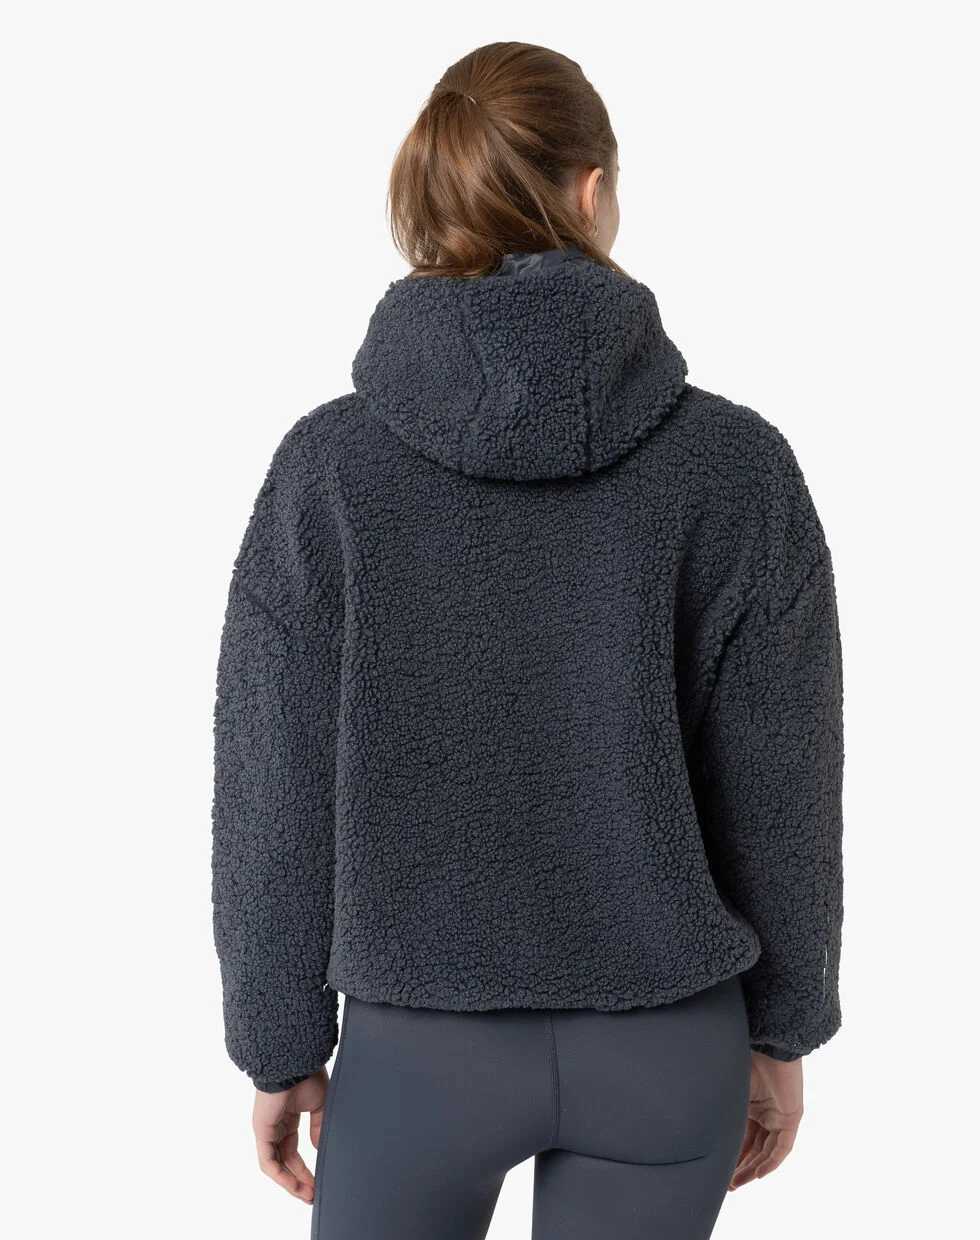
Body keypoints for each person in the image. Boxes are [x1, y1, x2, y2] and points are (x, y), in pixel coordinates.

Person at [212, 40, 844, 1240]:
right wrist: (780, 1028)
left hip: (415, 1052)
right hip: (666, 1040)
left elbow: (271, 784)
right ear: (591, 190)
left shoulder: (327, 471)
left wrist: (277, 1042)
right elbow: (783, 786)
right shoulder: (735, 469)